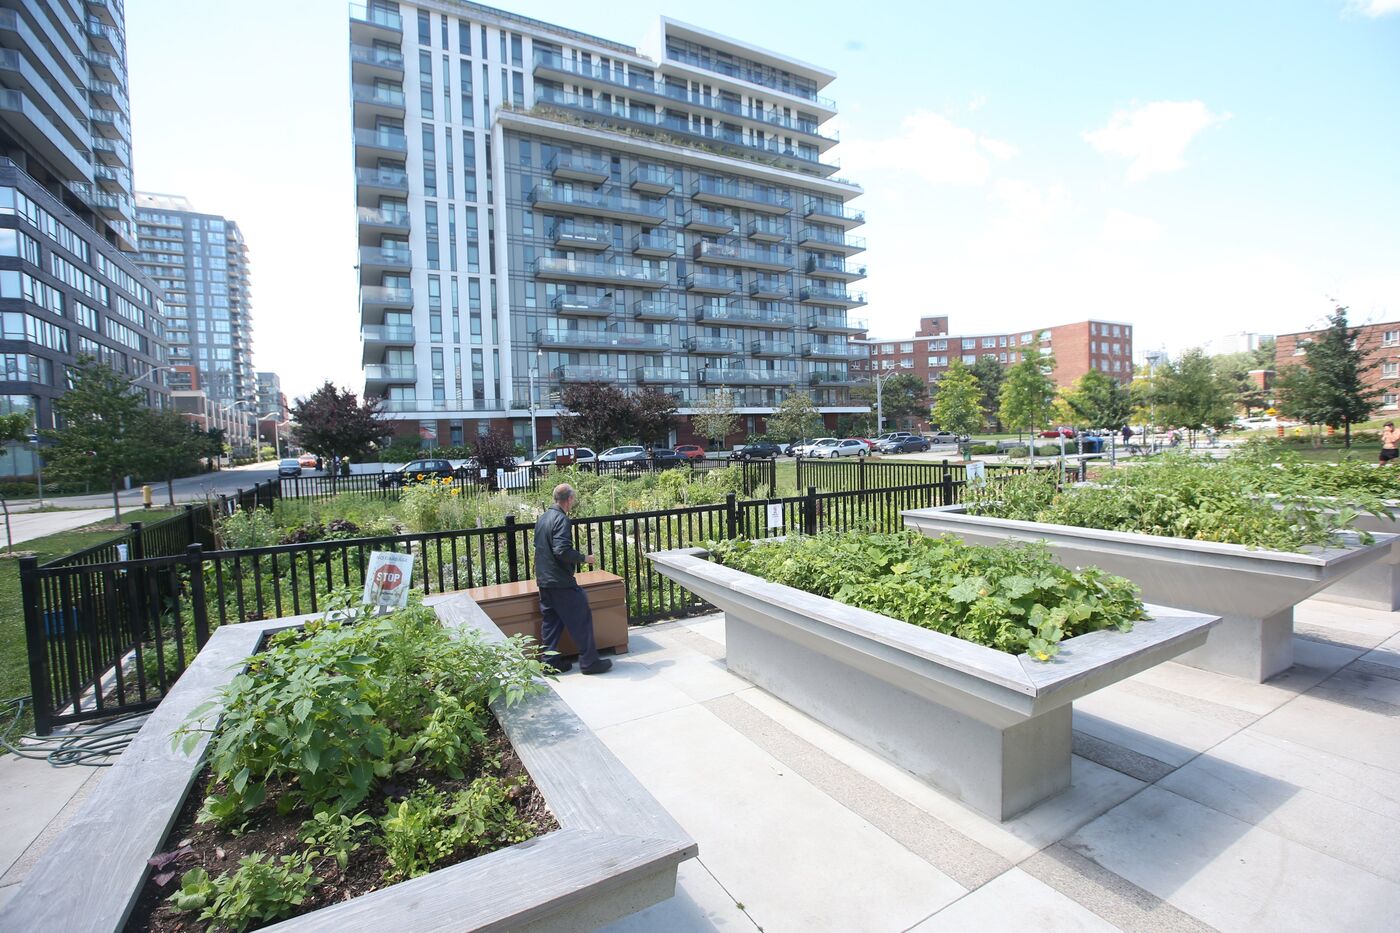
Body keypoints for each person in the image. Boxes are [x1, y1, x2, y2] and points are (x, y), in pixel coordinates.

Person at [533, 483, 612, 675]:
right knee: (581, 614)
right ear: (569, 500)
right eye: (573, 499)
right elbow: (561, 550)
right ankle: (589, 662)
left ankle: (549, 662)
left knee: (551, 621)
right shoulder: (561, 519)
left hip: (544, 580)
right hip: (560, 581)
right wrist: (585, 558)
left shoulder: (542, 519)